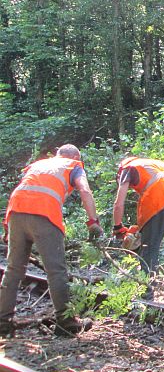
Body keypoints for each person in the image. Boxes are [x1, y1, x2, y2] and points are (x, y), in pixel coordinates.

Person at [0, 144, 103, 337]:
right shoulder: (73, 166)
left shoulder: (38, 165)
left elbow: (22, 191)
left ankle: (3, 323)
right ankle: (66, 322)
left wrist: (7, 229)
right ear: (75, 157)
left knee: (13, 269)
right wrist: (92, 222)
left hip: (15, 213)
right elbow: (85, 190)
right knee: (56, 271)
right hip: (44, 214)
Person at [112, 156, 164, 306]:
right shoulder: (157, 164)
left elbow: (118, 204)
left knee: (149, 250)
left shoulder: (127, 168)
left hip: (158, 201)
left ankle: (147, 296)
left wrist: (118, 228)